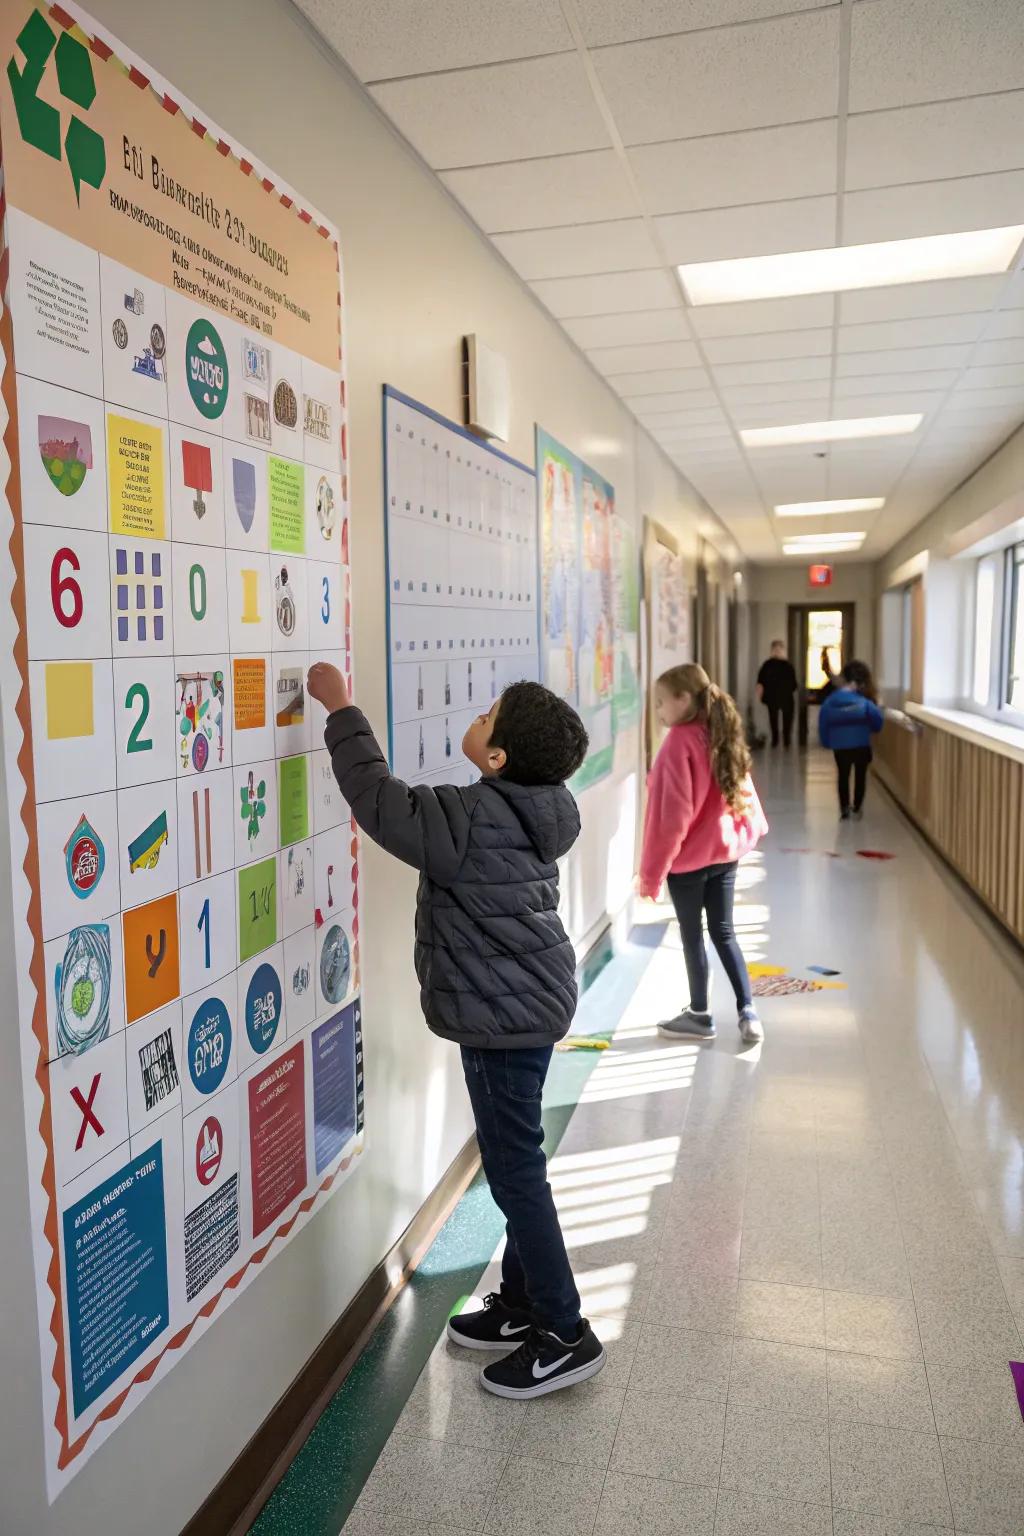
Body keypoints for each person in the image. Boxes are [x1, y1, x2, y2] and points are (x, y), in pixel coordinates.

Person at [306, 663, 605, 1400]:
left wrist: (342, 708)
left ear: (497, 757)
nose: (476, 715)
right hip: (524, 1008)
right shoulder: (538, 807)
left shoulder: (470, 818)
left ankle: (565, 1331)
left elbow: (379, 803)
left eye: (487, 713)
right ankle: (526, 1303)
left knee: (513, 1172)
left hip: (505, 1021)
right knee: (516, 1160)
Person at [638, 663, 768, 1045]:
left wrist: (651, 875)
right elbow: (742, 789)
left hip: (689, 863)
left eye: (661, 703)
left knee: (693, 936)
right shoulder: (719, 732)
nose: (659, 711)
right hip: (725, 854)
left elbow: (670, 821)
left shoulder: (678, 743)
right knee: (724, 932)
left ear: (683, 699)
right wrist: (752, 829)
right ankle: (748, 1012)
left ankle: (700, 1014)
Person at [818, 659, 884, 820]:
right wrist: (873, 729)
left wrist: (827, 742)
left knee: (843, 776)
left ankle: (844, 808)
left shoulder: (830, 701)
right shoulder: (866, 703)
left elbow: (823, 723)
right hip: (861, 745)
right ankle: (857, 806)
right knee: (860, 776)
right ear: (858, 682)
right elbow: (877, 721)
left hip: (840, 746)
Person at [756, 640, 798, 748]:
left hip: (786, 697)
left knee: (787, 719)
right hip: (772, 697)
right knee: (773, 719)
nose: (777, 651)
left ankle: (786, 740)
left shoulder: (788, 666)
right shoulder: (767, 665)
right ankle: (775, 740)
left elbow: (794, 684)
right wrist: (760, 694)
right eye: (775, 649)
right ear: (772, 650)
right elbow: (760, 681)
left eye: (780, 649)